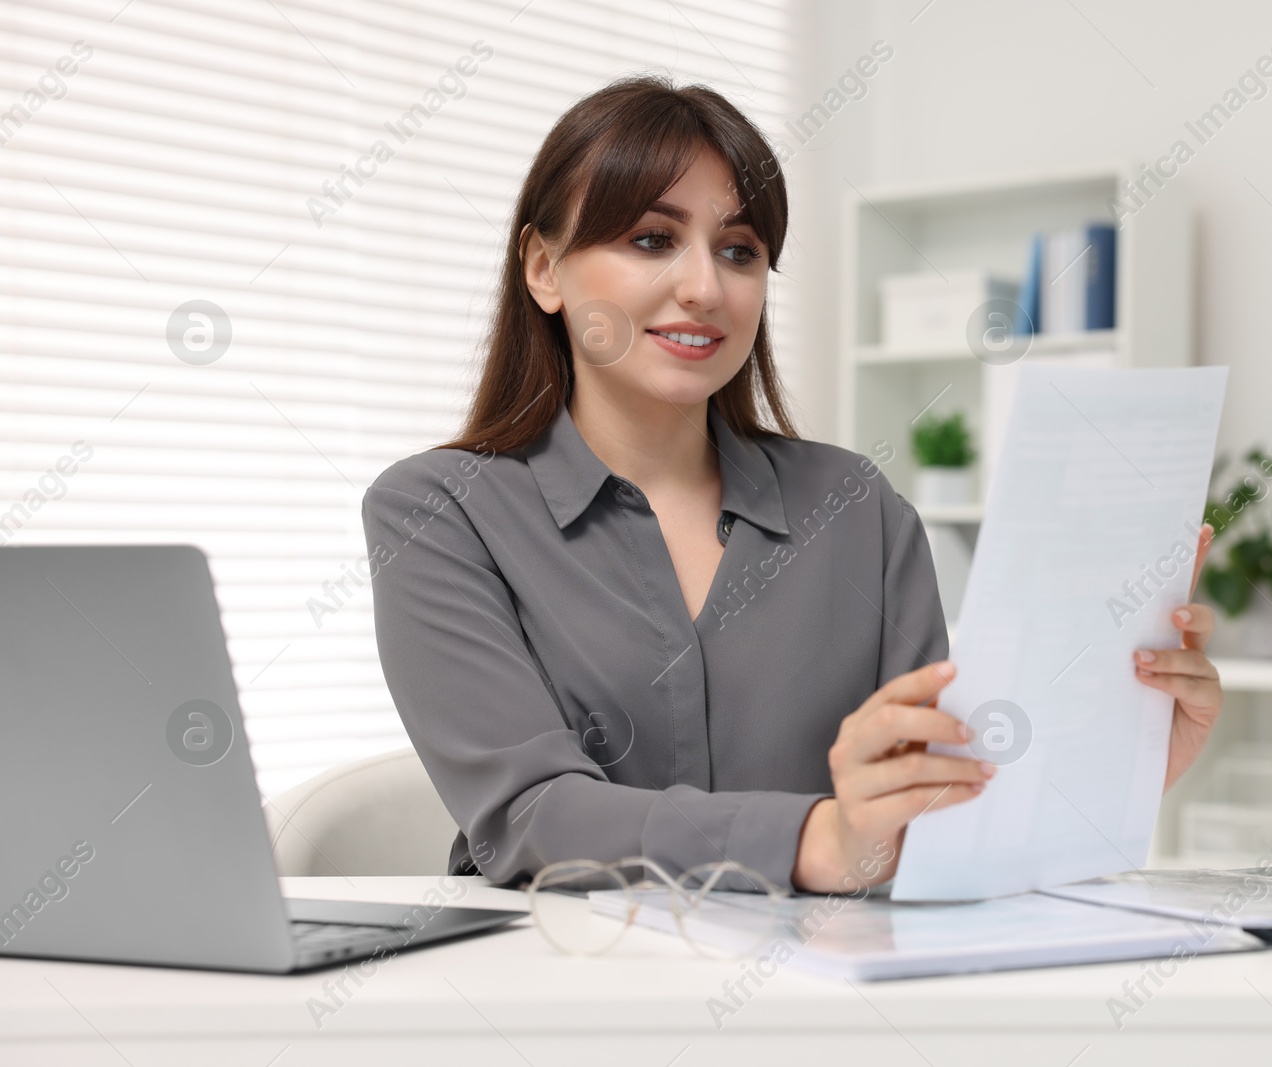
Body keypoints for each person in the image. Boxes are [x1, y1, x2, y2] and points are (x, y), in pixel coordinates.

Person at [362, 74, 1222, 896]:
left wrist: (1118, 762)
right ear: (545, 270)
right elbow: (531, 814)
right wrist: (821, 839)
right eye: (653, 239)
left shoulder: (859, 510)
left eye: (739, 251)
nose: (704, 287)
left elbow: (936, 800)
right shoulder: (437, 514)